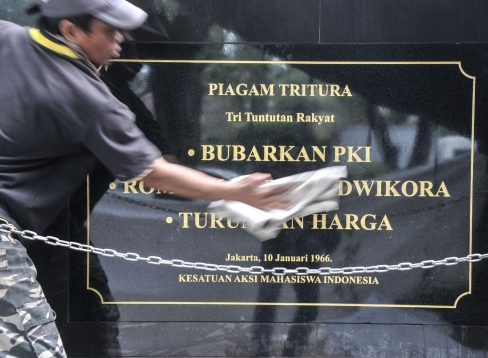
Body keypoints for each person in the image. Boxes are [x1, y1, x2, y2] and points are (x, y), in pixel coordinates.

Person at [0, 0, 287, 356]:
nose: (120, 40)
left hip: (36, 231)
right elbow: (154, 173)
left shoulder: (7, 36)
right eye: (109, 30)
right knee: (37, 349)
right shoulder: (89, 97)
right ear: (71, 31)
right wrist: (232, 190)